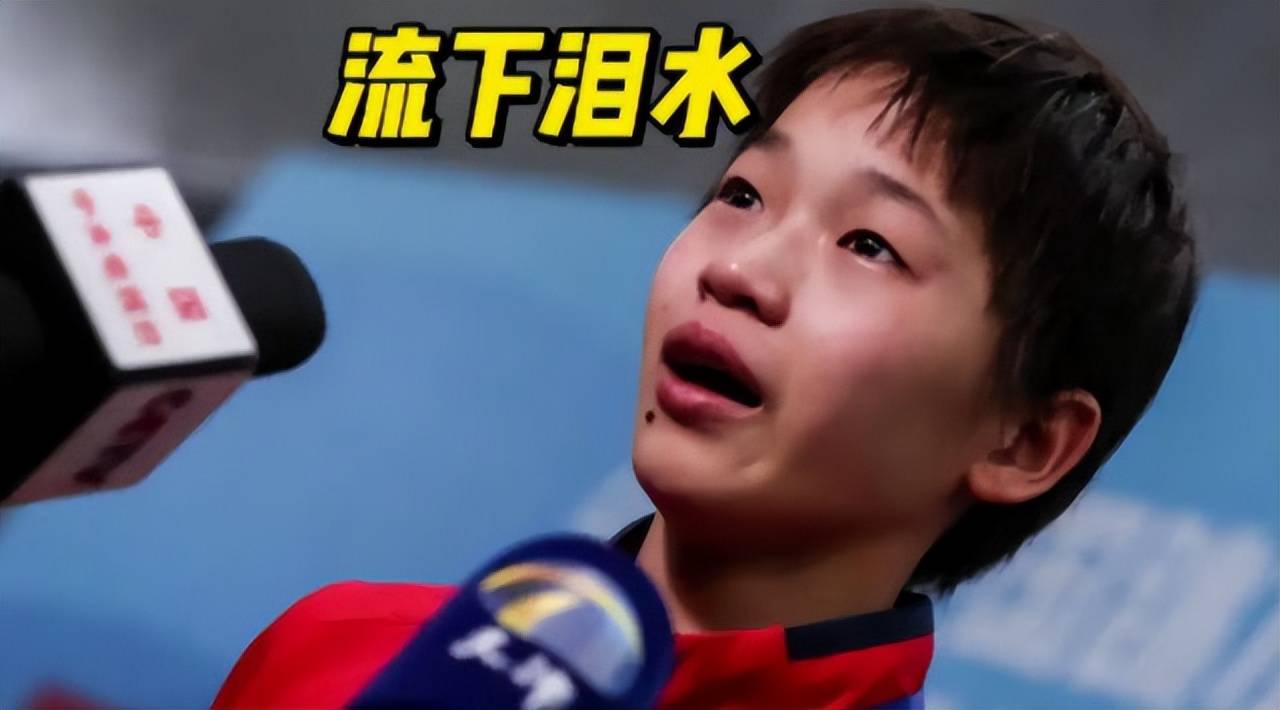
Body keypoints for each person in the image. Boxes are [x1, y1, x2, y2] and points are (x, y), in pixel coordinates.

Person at [213, 6, 1198, 708]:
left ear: (1025, 442)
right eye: (741, 194)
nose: (738, 270)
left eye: (869, 244)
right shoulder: (337, 650)